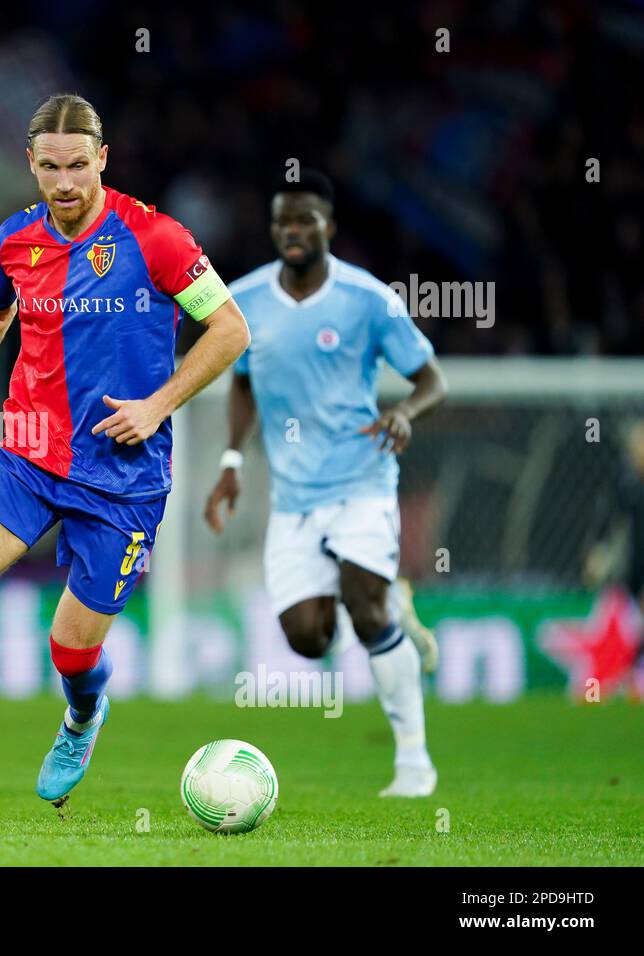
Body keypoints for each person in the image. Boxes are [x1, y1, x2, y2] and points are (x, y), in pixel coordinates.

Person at [0, 93, 250, 825]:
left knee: (70, 651)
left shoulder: (160, 238)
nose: (66, 183)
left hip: (123, 470)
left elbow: (231, 329)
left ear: (102, 159)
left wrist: (158, 404)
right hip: (29, 452)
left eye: (79, 166)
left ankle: (83, 717)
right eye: (50, 168)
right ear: (31, 165)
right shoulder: (15, 239)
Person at [204, 169, 448, 797]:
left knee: (365, 612)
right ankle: (390, 605)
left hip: (362, 479)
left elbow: (431, 380)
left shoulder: (369, 300)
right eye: (283, 218)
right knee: (308, 638)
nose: (293, 229)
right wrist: (232, 463)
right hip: (293, 496)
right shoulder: (246, 300)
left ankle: (414, 763)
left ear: (328, 226)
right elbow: (242, 381)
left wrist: (402, 412)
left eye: (305, 218)